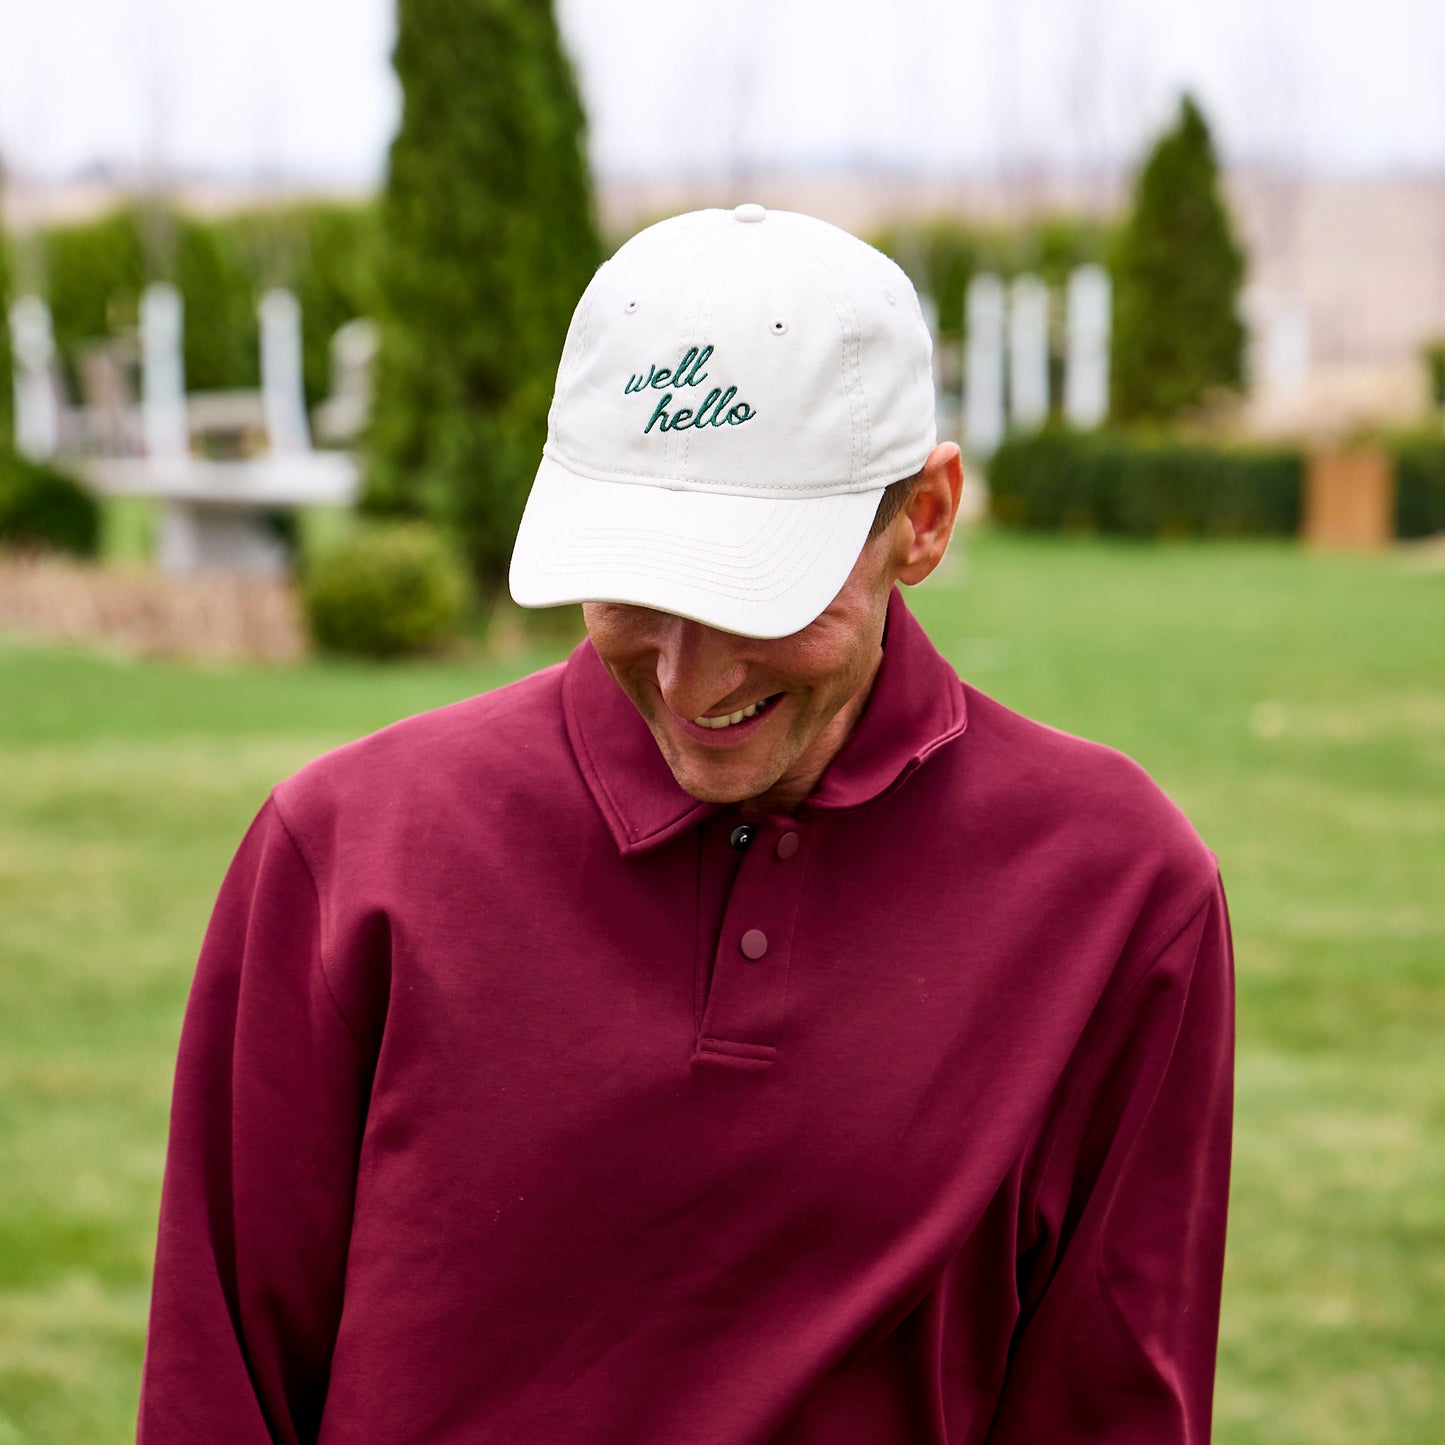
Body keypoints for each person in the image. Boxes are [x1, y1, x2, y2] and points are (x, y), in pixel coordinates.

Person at [139, 206, 1234, 1444]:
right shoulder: (347, 851)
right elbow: (214, 1390)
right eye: (637, 585)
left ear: (921, 518)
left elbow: (1107, 1407)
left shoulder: (1119, 890)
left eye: (752, 590)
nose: (683, 677)